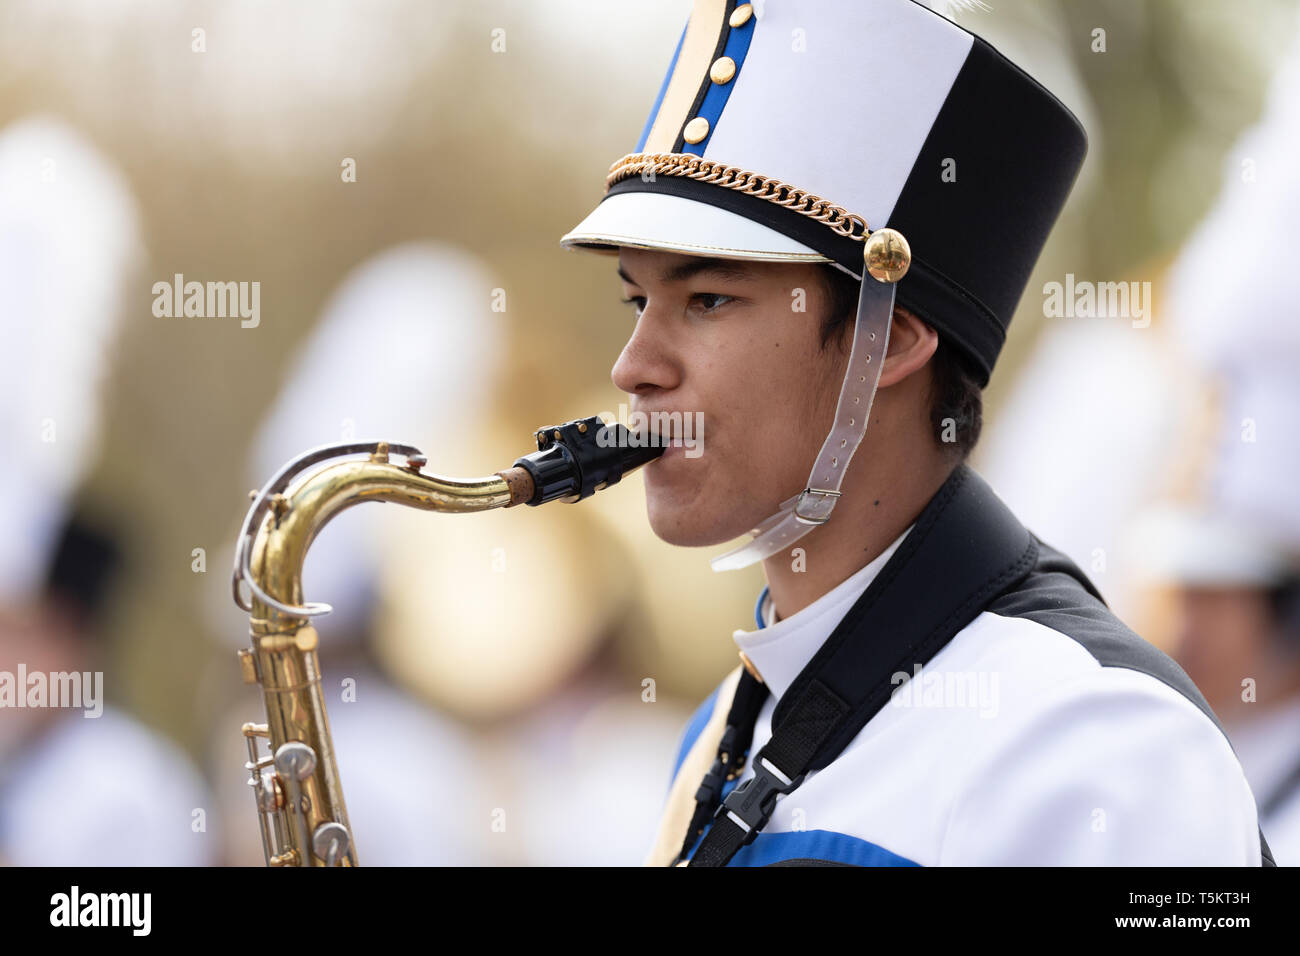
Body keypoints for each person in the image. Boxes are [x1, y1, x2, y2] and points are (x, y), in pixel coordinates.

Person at [558, 0, 1273, 866]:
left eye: (707, 299)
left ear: (890, 338)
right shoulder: (727, 726)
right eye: (640, 300)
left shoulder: (1095, 743)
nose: (634, 366)